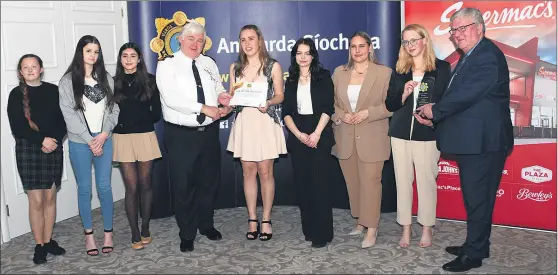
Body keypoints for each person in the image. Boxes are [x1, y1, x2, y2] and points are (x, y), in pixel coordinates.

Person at [415, 8, 513, 272]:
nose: (457, 35)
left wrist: (435, 110)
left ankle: (474, 254)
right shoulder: (472, 55)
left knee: (478, 199)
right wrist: (436, 113)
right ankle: (477, 244)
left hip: (483, 144)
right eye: (453, 30)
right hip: (475, 142)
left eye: (463, 28)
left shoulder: (486, 56)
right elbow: (461, 99)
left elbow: (467, 95)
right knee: (475, 199)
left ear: (480, 27)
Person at [156, 21, 231, 252]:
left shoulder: (208, 63)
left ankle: (206, 225)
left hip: (208, 133)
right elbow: (171, 99)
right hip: (181, 136)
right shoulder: (167, 65)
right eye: (191, 39)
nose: (195, 44)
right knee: (183, 186)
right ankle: (187, 233)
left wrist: (223, 100)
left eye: (200, 40)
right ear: (180, 39)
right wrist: (204, 108)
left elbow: (218, 88)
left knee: (208, 183)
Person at [385, 24, 451, 248]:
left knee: (426, 182)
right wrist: (403, 95)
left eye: (414, 40)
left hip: (428, 133)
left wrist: (434, 116)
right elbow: (390, 103)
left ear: (425, 40)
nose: (410, 45)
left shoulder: (442, 68)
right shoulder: (400, 70)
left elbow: (446, 102)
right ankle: (405, 228)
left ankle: (427, 228)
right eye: (406, 41)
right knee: (402, 182)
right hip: (400, 133)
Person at [58, 35, 120, 256]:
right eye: (88, 51)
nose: (93, 55)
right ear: (80, 52)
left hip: (104, 139)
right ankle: (89, 236)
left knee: (104, 187)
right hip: (79, 143)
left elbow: (114, 110)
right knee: (84, 189)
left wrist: (104, 134)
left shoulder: (107, 79)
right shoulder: (67, 82)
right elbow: (69, 115)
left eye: (96, 51)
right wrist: (89, 140)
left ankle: (109, 233)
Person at [225, 24, 287, 241]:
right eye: (243, 39)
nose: (247, 43)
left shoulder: (273, 66)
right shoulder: (235, 68)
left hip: (264, 121)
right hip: (245, 123)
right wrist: (225, 101)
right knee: (248, 172)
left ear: (259, 40)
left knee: (266, 172)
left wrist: (268, 101)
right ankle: (252, 218)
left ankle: (267, 219)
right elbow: (231, 96)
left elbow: (280, 95)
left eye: (251, 38)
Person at [331, 31, 393, 249]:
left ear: (369, 48)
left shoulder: (384, 73)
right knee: (353, 183)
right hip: (346, 137)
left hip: (373, 136)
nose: (357, 51)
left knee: (371, 184)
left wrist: (368, 113)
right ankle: (360, 221)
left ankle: (372, 229)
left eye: (361, 46)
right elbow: (331, 104)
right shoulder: (339, 72)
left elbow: (391, 106)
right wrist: (340, 116)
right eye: (353, 46)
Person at [7, 54, 67, 264]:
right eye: (26, 67)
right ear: (20, 72)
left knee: (50, 198)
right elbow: (18, 127)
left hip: (53, 148)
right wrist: (42, 140)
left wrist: (54, 140)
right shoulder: (15, 95)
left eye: (34, 66)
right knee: (37, 200)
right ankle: (40, 245)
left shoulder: (53, 90)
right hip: (29, 149)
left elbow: (63, 120)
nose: (31, 70)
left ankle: (49, 240)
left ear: (41, 69)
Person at [282, 38, 336, 248]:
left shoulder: (323, 76)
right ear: (294, 56)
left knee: (320, 185)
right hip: (298, 136)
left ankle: (322, 233)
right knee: (303, 186)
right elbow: (286, 112)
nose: (303, 57)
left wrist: (315, 134)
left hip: (319, 133)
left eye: (307, 53)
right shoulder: (291, 80)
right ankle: (309, 229)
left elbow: (327, 107)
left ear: (313, 55)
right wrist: (299, 135)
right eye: (299, 53)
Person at [112, 42, 162, 250]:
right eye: (125, 55)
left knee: (146, 184)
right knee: (131, 187)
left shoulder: (150, 81)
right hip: (122, 138)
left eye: (133, 55)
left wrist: (140, 121)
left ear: (139, 58)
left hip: (145, 136)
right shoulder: (113, 83)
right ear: (120, 59)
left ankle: (145, 227)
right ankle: (134, 232)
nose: (129, 59)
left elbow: (156, 113)